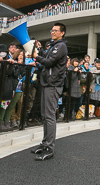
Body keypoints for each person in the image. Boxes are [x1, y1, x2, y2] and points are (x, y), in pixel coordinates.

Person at [30, 22, 68, 161]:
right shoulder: (54, 45)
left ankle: (49, 148)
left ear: (62, 33)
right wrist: (39, 58)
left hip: (53, 85)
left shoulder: (61, 46)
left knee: (50, 116)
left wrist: (36, 56)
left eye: (56, 30)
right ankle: (45, 143)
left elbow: (49, 62)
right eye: (52, 30)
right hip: (47, 83)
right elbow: (47, 61)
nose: (53, 32)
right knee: (45, 116)